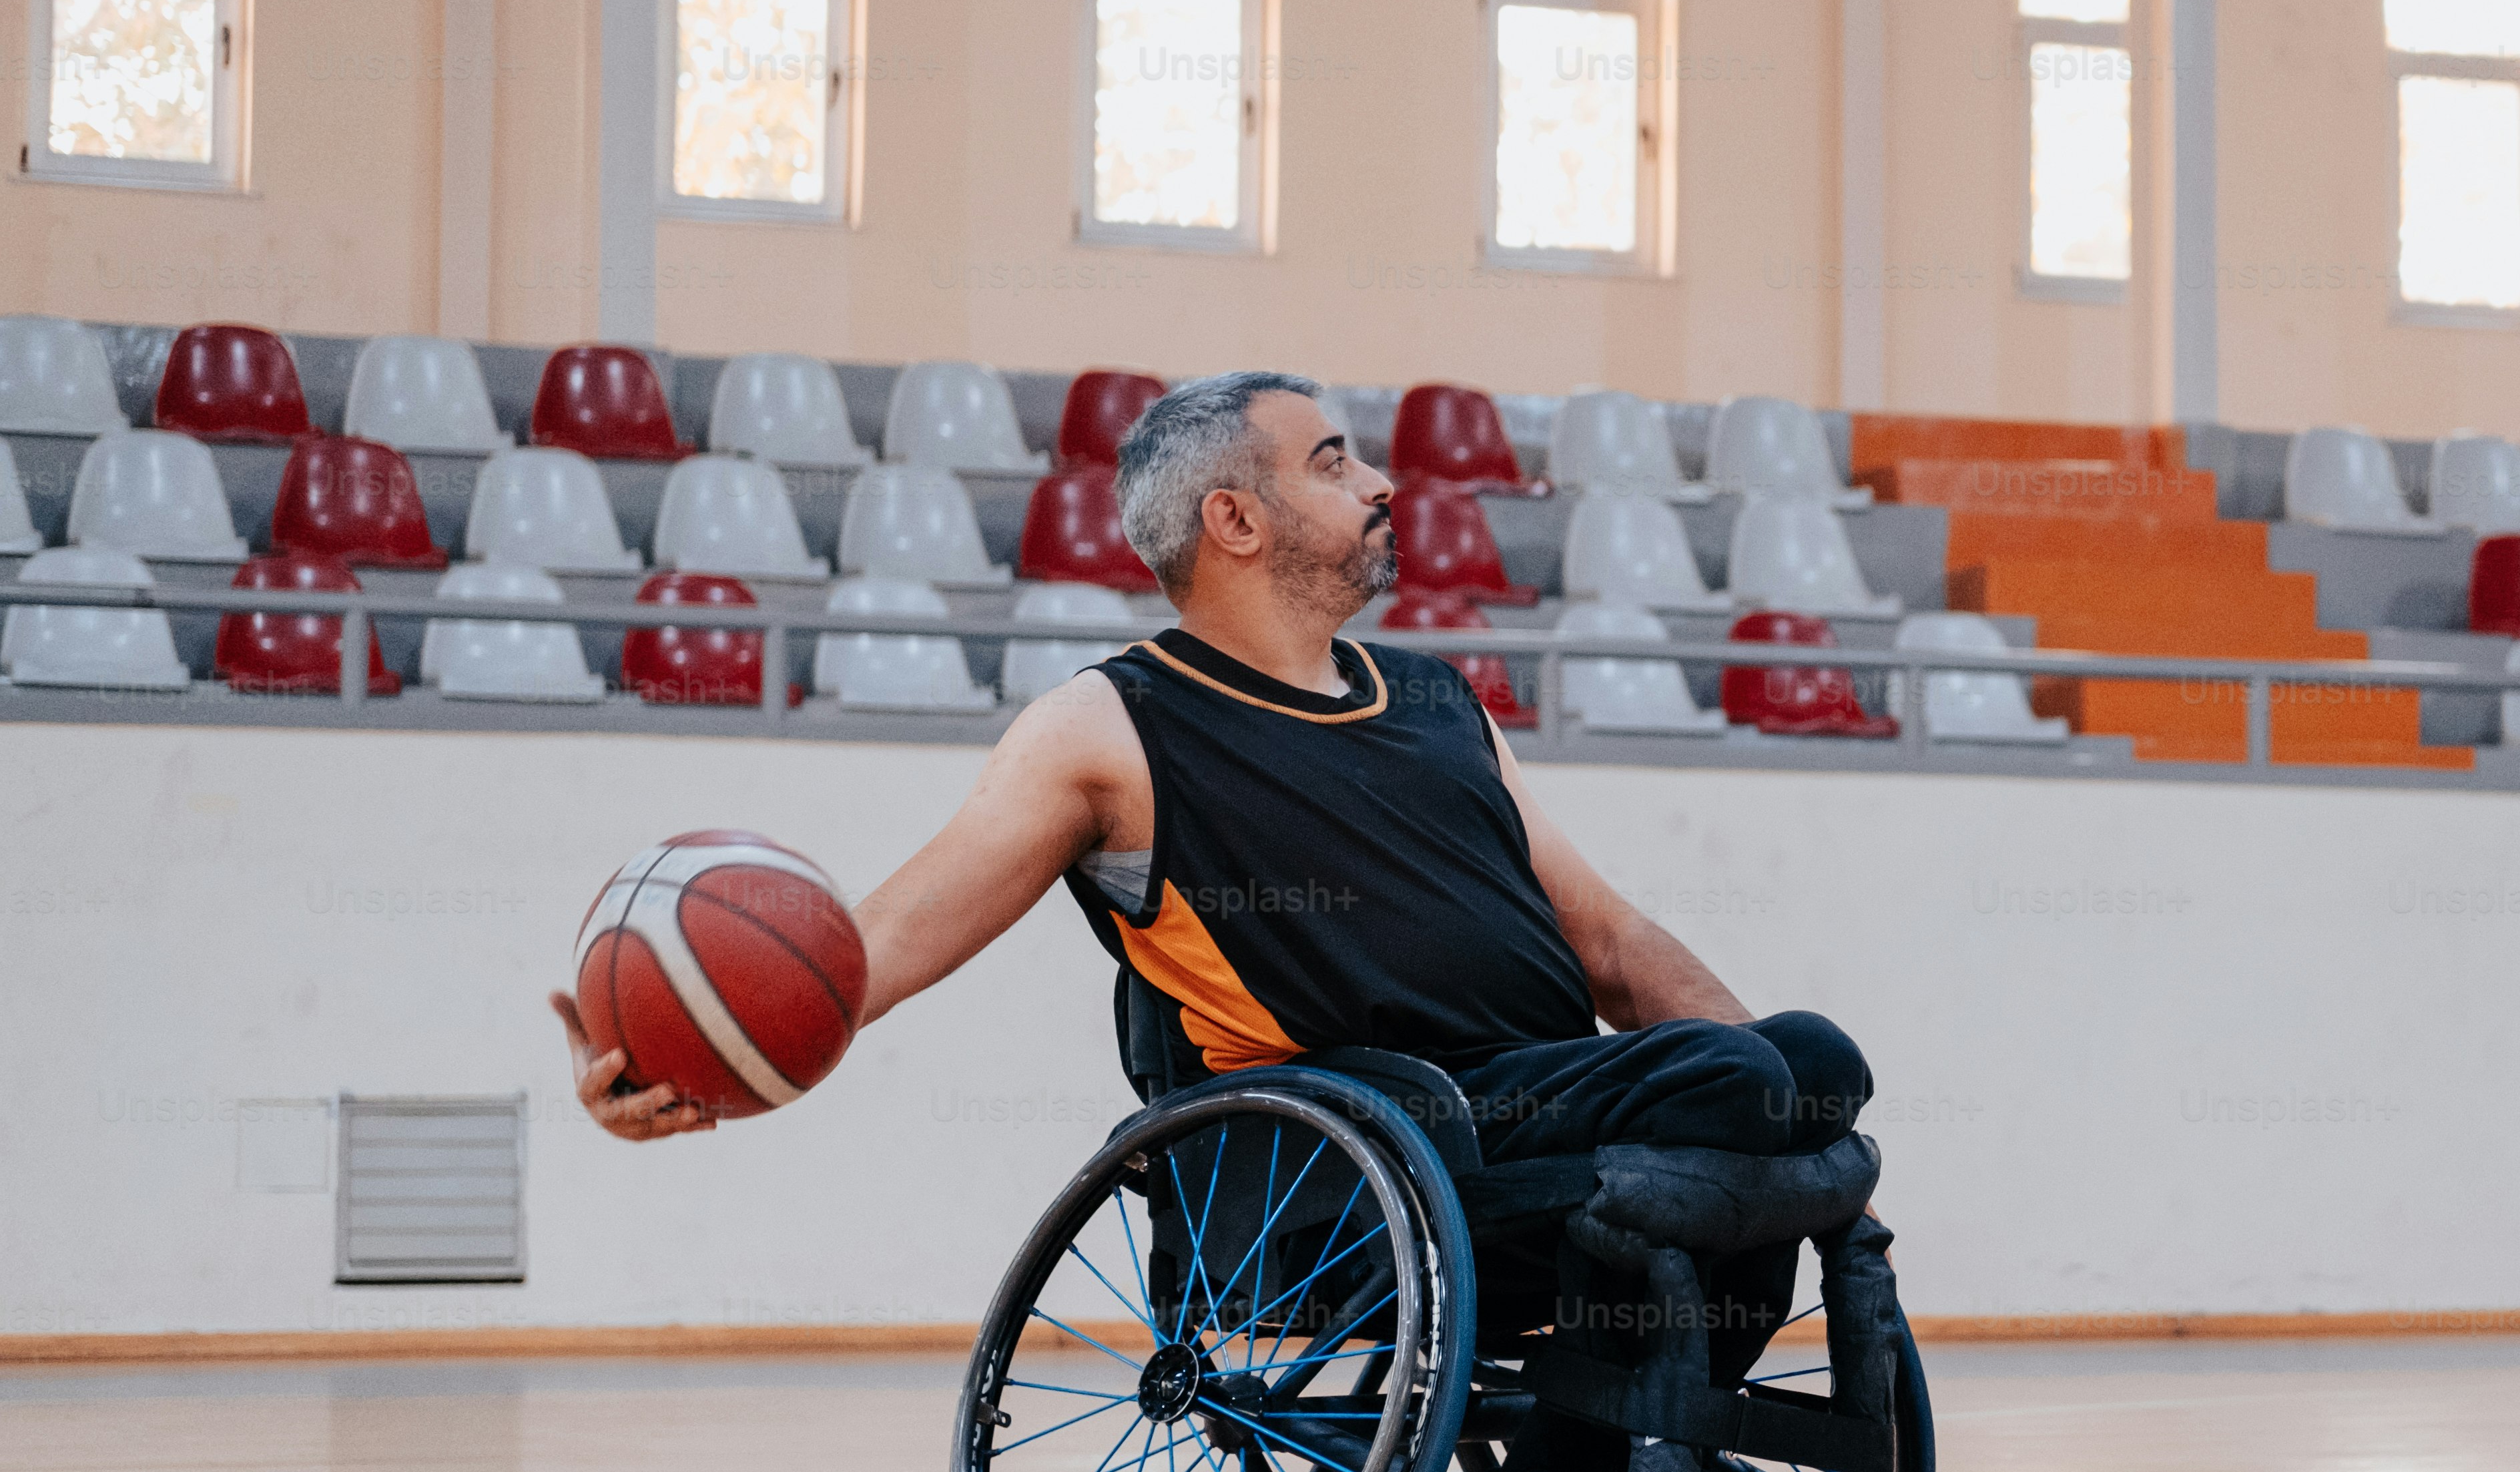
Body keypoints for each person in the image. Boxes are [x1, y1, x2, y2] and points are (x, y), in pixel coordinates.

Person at [549, 369, 1875, 1189]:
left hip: (1552, 1095)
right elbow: (871, 945)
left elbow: (1606, 937)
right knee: (1744, 1088)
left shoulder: (1436, 696)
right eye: (1333, 461)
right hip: (1376, 1140)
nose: (1382, 482)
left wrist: (1746, 1056)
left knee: (1802, 1063)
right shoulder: (1104, 728)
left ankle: (1635, 1453)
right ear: (1234, 522)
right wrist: (698, 1066)